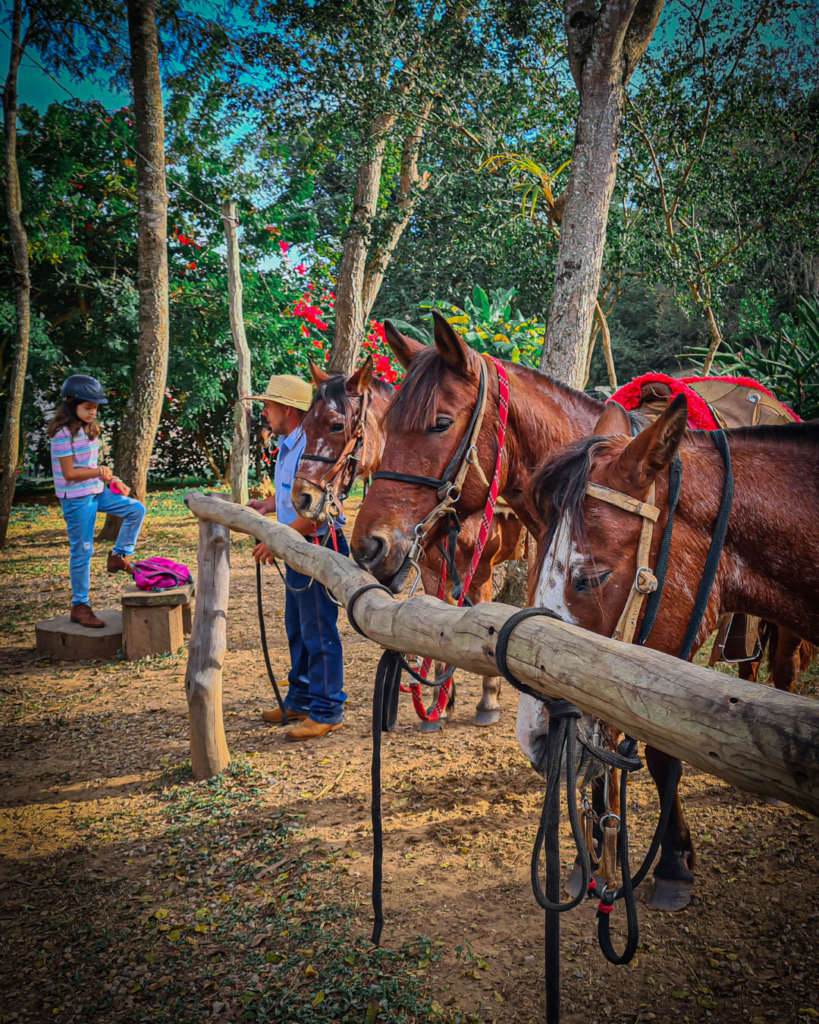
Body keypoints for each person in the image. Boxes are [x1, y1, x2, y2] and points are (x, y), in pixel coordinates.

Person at [247, 373, 348, 742]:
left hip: (318, 543)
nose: (266, 414)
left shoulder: (314, 444)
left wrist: (279, 538)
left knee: (319, 630)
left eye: (269, 406)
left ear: (287, 409)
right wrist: (270, 504)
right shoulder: (291, 443)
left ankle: (327, 709)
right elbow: (297, 494)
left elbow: (320, 506)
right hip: (299, 545)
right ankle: (302, 698)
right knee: (298, 627)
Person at [48, 375, 147, 628]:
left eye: (95, 408)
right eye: (88, 407)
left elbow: (92, 467)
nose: (93, 412)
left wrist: (112, 479)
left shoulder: (89, 430)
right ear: (72, 405)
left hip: (96, 490)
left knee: (136, 509)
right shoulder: (62, 435)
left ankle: (119, 555)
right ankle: (80, 606)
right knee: (82, 550)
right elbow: (70, 474)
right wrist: (100, 472)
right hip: (76, 498)